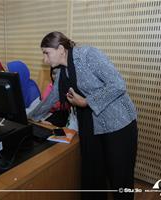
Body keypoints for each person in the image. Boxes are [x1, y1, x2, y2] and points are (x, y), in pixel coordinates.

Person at [28, 31, 138, 200]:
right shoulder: (63, 71)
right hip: (93, 127)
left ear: (61, 49)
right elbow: (52, 97)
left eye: (46, 53)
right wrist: (29, 116)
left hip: (119, 124)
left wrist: (86, 102)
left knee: (120, 178)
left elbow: (118, 85)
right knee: (94, 174)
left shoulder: (88, 55)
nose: (45, 59)